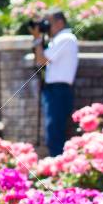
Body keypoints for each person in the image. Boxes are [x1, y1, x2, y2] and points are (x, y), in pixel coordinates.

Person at [33, 10, 79, 157]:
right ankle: (57, 164)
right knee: (53, 131)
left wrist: (37, 39)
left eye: (48, 23)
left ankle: (57, 166)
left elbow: (41, 60)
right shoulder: (59, 39)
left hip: (59, 90)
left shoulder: (65, 38)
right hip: (55, 90)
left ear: (60, 23)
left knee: (54, 132)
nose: (46, 26)